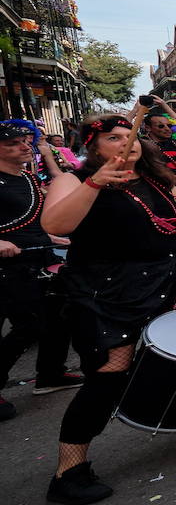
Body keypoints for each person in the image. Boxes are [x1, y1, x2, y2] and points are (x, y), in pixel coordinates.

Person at [40, 114, 176, 504]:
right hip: (108, 292)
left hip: (164, 282)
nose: (127, 142)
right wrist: (94, 184)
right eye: (113, 137)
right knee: (108, 376)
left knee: (174, 359)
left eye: (130, 135)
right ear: (92, 146)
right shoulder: (72, 181)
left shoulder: (160, 180)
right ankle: (68, 470)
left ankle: (175, 415)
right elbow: (55, 222)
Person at [0, 122, 81, 421]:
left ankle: (50, 375)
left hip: (42, 257)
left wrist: (51, 237)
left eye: (25, 141)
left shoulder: (29, 179)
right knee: (28, 325)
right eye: (14, 144)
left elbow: (36, 217)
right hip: (9, 267)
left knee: (60, 316)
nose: (24, 147)